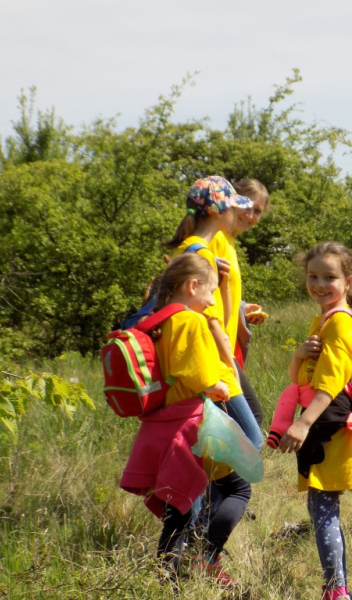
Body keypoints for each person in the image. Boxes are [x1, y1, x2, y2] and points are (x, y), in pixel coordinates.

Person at [119, 253, 251, 587]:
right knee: (238, 488)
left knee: (177, 511)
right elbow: (198, 374)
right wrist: (220, 385)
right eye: (211, 292)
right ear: (193, 286)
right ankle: (207, 555)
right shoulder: (189, 321)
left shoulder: (155, 322)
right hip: (190, 424)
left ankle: (167, 581)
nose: (211, 301)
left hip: (159, 425)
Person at [277, 241, 352, 600]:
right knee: (320, 505)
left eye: (330, 277)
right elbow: (301, 377)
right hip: (319, 423)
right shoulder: (321, 319)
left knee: (323, 507)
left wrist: (302, 423)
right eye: (313, 276)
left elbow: (330, 383)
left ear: (348, 281)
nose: (320, 284)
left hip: (328, 426)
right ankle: (335, 587)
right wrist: (298, 354)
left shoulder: (340, 324)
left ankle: (337, 590)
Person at [163, 175, 263, 450]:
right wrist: (230, 363)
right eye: (234, 207)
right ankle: (207, 491)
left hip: (200, 359)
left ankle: (207, 490)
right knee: (251, 439)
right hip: (212, 361)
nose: (239, 213)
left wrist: (225, 284)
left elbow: (219, 312)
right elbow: (213, 322)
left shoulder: (190, 248)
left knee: (214, 442)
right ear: (220, 211)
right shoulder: (202, 254)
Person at [210, 178, 269, 430]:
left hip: (224, 347)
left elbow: (220, 292)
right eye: (247, 205)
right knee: (249, 423)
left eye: (258, 211)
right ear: (231, 202)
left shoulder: (230, 242)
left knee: (232, 424)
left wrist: (242, 309)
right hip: (214, 348)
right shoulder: (217, 238)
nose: (251, 214)